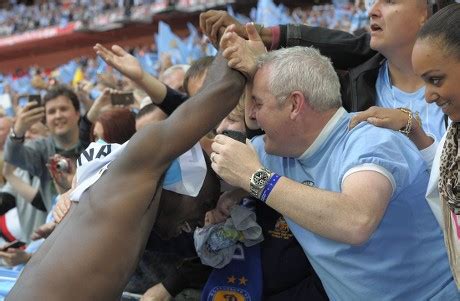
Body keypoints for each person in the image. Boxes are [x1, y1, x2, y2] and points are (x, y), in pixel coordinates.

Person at [209, 46, 458, 300]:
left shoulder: (370, 138)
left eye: (258, 103)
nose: (250, 115)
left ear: (295, 104)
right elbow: (192, 155)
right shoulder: (276, 150)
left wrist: (256, 179)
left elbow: (356, 221)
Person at [6, 43, 245, 301]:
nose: (202, 219)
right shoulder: (139, 166)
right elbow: (222, 91)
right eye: (208, 202)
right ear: (186, 179)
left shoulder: (121, 203)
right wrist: (232, 38)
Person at [200, 0, 455, 144]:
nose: (372, 10)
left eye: (389, 1)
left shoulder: (454, 88)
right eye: (372, 1)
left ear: (428, 12)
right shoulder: (353, 84)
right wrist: (255, 64)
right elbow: (276, 143)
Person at [4, 85, 86, 210]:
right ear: (46, 120)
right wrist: (19, 129)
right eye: (51, 112)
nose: (58, 115)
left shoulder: (92, 141)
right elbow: (11, 157)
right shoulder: (40, 150)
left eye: (63, 109)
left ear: (77, 113)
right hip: (59, 224)